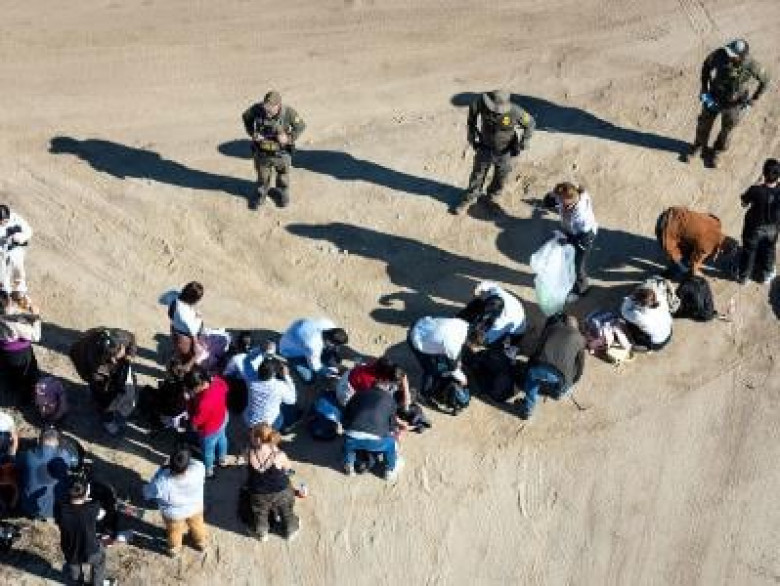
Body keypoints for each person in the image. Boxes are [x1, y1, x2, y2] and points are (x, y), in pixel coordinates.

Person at [682, 39, 770, 168]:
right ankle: (699, 146)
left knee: (727, 130)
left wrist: (754, 99)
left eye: (732, 54)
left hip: (734, 104)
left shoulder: (752, 65)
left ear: (741, 57)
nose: (728, 55)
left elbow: (766, 81)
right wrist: (704, 88)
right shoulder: (720, 54)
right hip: (714, 97)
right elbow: (706, 66)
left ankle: (717, 151)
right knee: (704, 124)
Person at [454, 90, 535, 214]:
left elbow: (530, 123)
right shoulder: (481, 103)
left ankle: (493, 196)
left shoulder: (516, 111)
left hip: (505, 151)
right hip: (485, 146)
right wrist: (471, 133)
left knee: (501, 176)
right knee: (478, 173)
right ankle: (471, 197)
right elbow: (472, 114)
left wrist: (525, 140)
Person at [242, 90, 306, 209]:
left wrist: (288, 138)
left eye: (270, 108)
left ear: (278, 105)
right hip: (262, 152)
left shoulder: (288, 112)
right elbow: (246, 116)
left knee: (283, 176)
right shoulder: (257, 109)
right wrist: (253, 133)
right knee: (262, 176)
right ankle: (261, 194)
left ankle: (282, 192)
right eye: (265, 107)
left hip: (282, 153)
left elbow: (300, 126)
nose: (267, 111)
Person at [69, 327, 137, 435]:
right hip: (87, 367)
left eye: (116, 355)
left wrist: (130, 354)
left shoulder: (119, 337)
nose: (115, 360)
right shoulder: (94, 362)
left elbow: (131, 338)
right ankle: (107, 420)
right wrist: (108, 389)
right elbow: (93, 378)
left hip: (100, 365)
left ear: (121, 346)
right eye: (111, 357)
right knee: (104, 399)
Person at [143, 448, 207, 557]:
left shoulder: (161, 482)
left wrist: (160, 471)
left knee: (174, 531)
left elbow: (147, 493)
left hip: (174, 515)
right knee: (198, 525)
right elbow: (194, 462)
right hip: (195, 507)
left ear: (170, 464)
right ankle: (201, 543)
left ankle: (174, 549)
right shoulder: (198, 469)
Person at [520, 314, 586, 420]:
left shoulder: (553, 328)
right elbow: (580, 365)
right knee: (567, 378)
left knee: (532, 379)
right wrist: (573, 381)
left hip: (540, 368)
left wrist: (529, 367)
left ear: (564, 323)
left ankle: (528, 409)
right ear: (576, 328)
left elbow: (537, 348)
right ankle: (559, 393)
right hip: (560, 377)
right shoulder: (581, 339)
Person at [55, 480, 117, 586]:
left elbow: (59, 519)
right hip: (90, 549)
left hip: (70, 549)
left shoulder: (60, 509)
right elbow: (102, 513)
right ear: (86, 494)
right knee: (99, 561)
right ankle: (97, 584)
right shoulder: (93, 508)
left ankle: (77, 582)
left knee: (74, 567)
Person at [245, 423, 300, 542]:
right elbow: (289, 471)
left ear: (258, 439)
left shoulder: (249, 452)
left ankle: (262, 533)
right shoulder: (279, 455)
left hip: (258, 494)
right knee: (286, 511)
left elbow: (248, 467)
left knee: (260, 513)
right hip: (282, 492)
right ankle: (290, 530)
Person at [543, 183, 599, 298]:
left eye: (561, 200)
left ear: (569, 200)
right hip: (572, 232)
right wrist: (553, 197)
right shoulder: (574, 194)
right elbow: (549, 201)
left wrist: (566, 238)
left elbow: (581, 235)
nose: (558, 201)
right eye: (558, 198)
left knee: (577, 265)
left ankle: (582, 288)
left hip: (584, 238)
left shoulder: (581, 216)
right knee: (568, 259)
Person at [342, 385, 403, 481]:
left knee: (349, 445)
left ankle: (348, 465)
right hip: (375, 442)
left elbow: (345, 414)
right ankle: (389, 471)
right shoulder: (390, 400)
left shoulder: (359, 393)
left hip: (351, 437)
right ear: (387, 387)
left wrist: (346, 429)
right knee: (391, 443)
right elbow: (391, 427)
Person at [655, 206, 734, 277]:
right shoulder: (707, 247)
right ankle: (665, 276)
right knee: (684, 266)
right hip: (664, 229)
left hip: (672, 213)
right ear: (721, 249)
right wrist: (696, 274)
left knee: (692, 241)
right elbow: (694, 263)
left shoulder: (716, 222)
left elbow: (707, 217)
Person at [737, 158, 780, 284]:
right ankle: (767, 273)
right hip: (773, 228)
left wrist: (757, 183)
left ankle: (744, 277)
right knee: (769, 250)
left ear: (764, 173)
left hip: (754, 228)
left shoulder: (755, 190)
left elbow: (744, 204)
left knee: (749, 251)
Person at [407, 316, 469, 402]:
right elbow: (453, 369)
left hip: (421, 324)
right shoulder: (453, 346)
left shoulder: (463, 325)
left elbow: (455, 359)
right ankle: (424, 394)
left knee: (441, 364)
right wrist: (463, 379)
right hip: (415, 339)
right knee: (431, 369)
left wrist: (457, 362)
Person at [184, 367, 230, 479]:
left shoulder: (203, 403)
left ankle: (209, 471)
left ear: (198, 386)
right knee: (222, 439)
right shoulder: (217, 381)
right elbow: (226, 387)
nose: (190, 391)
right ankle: (222, 459)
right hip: (223, 418)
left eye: (191, 389)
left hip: (210, 430)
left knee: (208, 451)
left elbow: (196, 420)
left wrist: (189, 400)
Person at [18, 427, 71, 519]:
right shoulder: (64, 455)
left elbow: (16, 464)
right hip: (55, 510)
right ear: (57, 442)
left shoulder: (27, 455)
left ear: (39, 440)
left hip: (28, 507)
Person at [0, 291, 41, 403]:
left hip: (3, 349)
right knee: (25, 376)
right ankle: (26, 398)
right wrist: (36, 317)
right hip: (19, 354)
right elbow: (36, 336)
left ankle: (11, 386)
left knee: (10, 372)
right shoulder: (12, 322)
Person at [279, 317, 349, 382]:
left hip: (295, 336)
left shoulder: (328, 324)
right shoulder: (313, 345)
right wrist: (330, 373)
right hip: (289, 352)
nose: (336, 347)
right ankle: (294, 363)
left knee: (331, 357)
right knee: (309, 378)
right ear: (329, 341)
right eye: (335, 345)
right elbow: (316, 367)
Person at [244, 359, 298, 433]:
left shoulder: (250, 378)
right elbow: (292, 400)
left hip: (249, 420)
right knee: (286, 406)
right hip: (269, 424)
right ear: (273, 374)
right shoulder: (279, 386)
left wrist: (260, 352)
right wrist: (287, 376)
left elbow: (246, 361)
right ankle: (284, 427)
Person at [166, 282, 205, 372]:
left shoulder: (174, 296)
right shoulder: (185, 315)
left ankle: (177, 361)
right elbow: (194, 332)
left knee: (179, 351)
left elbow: (161, 299)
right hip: (185, 338)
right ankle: (182, 370)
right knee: (192, 357)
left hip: (175, 330)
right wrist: (198, 317)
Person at [620, 286, 673, 352]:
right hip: (669, 333)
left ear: (639, 303)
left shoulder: (638, 316)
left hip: (657, 343)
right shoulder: (661, 299)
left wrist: (629, 299)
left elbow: (624, 311)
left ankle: (644, 346)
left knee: (627, 323)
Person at [0, 204, 33, 295]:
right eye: (0, 221)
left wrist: (20, 237)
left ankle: (20, 289)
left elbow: (28, 231)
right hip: (2, 252)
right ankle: (4, 290)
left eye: (4, 221)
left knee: (17, 265)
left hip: (15, 248)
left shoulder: (16, 219)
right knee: (4, 269)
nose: (2, 223)